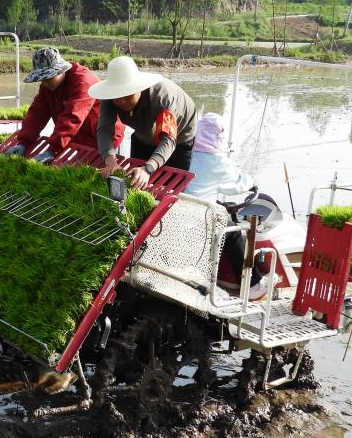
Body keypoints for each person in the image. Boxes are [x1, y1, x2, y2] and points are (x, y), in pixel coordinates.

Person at [185, 112, 265, 299]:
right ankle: (253, 285)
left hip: (182, 212)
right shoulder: (218, 162)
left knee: (224, 220)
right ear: (218, 136)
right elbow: (237, 184)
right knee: (234, 232)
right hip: (200, 219)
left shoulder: (186, 152)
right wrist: (252, 181)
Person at [89, 56, 198, 190]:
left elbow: (169, 140)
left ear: (138, 87)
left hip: (179, 135)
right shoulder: (109, 97)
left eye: (127, 95)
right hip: (144, 131)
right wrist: (110, 161)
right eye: (117, 98)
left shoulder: (163, 98)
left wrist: (148, 168)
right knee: (135, 181)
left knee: (170, 187)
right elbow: (105, 129)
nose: (121, 102)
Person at [4, 47, 124, 163]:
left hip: (105, 138)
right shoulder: (48, 87)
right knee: (77, 175)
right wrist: (23, 143)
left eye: (48, 77)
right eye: (41, 79)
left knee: (102, 176)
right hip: (80, 139)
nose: (44, 82)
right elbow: (36, 114)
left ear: (61, 70)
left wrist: (53, 149)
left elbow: (73, 116)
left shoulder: (82, 81)